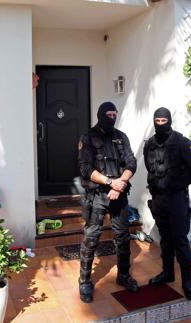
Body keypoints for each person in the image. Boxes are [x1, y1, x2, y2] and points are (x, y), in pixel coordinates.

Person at [77, 101, 139, 303]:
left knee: (122, 236)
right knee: (92, 237)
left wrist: (121, 183)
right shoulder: (88, 137)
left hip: (119, 194)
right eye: (109, 114)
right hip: (97, 195)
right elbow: (85, 168)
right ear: (100, 115)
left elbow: (131, 163)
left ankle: (123, 275)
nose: (112, 117)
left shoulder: (121, 137)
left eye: (115, 114)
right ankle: (85, 281)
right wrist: (110, 183)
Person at [143, 107, 191, 300]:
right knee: (165, 239)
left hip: (176, 199)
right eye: (157, 121)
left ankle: (187, 281)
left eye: (163, 121)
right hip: (159, 199)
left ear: (169, 121)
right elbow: (148, 167)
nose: (160, 124)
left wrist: (178, 183)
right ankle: (167, 272)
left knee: (180, 240)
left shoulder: (182, 142)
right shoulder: (149, 145)